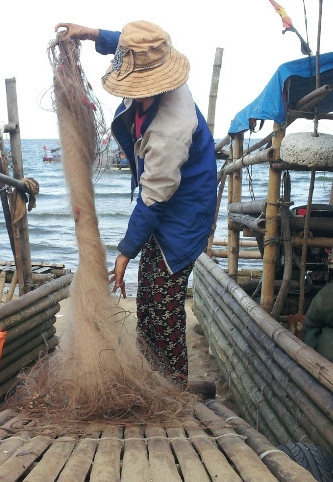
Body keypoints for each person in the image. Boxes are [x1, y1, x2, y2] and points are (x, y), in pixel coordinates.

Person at [55, 21, 217, 386]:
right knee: (148, 301)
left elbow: (153, 199)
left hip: (185, 213)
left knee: (164, 306)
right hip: (166, 201)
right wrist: (90, 34)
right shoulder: (148, 63)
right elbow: (128, 46)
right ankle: (152, 376)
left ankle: (172, 388)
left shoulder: (170, 131)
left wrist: (125, 252)